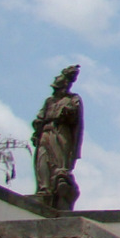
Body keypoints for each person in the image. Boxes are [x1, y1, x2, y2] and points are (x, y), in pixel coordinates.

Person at [32, 64, 84, 211]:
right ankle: (44, 189)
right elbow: (40, 117)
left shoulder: (73, 99)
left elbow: (75, 116)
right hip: (46, 133)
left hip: (61, 133)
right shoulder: (50, 101)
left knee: (59, 163)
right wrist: (37, 128)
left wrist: (68, 112)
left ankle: (59, 187)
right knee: (42, 159)